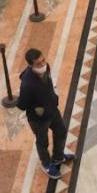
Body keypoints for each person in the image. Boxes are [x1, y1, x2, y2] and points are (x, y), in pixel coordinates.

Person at [17, 49, 76, 179]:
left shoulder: (46, 67)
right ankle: (46, 163)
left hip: (52, 110)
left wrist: (53, 98)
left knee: (61, 131)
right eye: (38, 64)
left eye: (43, 60)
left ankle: (58, 157)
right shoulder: (27, 85)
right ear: (31, 66)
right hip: (38, 119)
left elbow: (48, 84)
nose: (43, 64)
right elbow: (21, 104)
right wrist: (36, 107)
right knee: (42, 142)